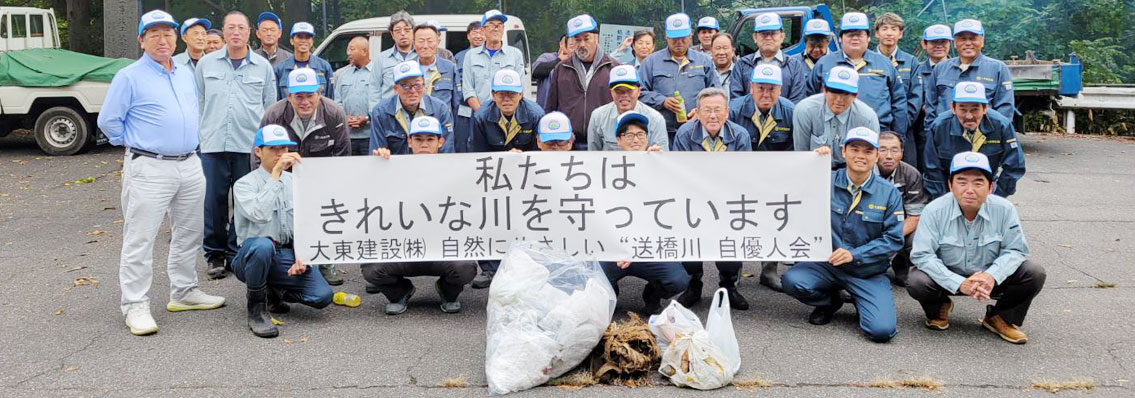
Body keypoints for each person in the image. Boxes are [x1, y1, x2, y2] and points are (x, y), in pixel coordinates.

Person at [99, 10, 226, 336]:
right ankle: (135, 305)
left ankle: (183, 292)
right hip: (150, 166)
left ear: (176, 38)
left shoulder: (184, 72)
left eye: (167, 33)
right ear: (141, 40)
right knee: (140, 239)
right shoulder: (129, 76)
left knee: (190, 232)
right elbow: (109, 122)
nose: (162, 39)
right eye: (153, 33)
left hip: (189, 163)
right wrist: (138, 144)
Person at [781, 127, 904, 342]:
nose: (860, 156)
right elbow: (788, 186)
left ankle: (862, 299)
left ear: (876, 156)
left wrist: (855, 254)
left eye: (867, 151)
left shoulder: (889, 193)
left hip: (867, 271)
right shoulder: (823, 180)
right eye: (854, 149)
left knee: (881, 331)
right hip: (826, 264)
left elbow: (893, 240)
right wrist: (812, 162)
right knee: (793, 280)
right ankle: (829, 302)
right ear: (843, 152)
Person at [909, 152, 1044, 343]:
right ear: (950, 185)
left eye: (978, 183)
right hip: (948, 275)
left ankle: (1000, 317)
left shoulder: (1005, 209)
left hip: (988, 277)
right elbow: (922, 255)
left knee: (1033, 272)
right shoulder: (934, 210)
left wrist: (991, 276)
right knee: (917, 280)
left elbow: (1016, 250)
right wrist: (958, 283)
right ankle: (939, 307)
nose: (969, 190)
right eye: (962, 182)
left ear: (990, 187)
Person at [366, 117, 478, 315]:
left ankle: (447, 290)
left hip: (442, 248)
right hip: (403, 248)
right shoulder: (391, 167)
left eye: (430, 139)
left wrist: (511, 161)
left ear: (440, 142)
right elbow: (368, 195)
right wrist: (376, 166)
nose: (424, 144)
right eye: (418, 139)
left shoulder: (457, 170)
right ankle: (400, 292)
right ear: (409, 142)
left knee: (465, 267)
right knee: (372, 268)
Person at [195, 11, 277, 280]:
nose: (236, 32)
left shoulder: (262, 67)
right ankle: (215, 254)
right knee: (214, 201)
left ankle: (235, 250)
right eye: (231, 27)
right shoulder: (206, 64)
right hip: (213, 143)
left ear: (249, 31)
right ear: (223, 31)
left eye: (241, 27)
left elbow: (269, 108)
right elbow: (199, 103)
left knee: (244, 200)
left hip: (248, 145)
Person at [232, 125, 333, 337]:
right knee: (262, 245)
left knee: (322, 296)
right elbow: (259, 213)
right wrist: (276, 175)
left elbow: (306, 224)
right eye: (273, 148)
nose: (280, 153)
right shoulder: (244, 184)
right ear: (258, 152)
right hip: (251, 255)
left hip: (284, 253)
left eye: (284, 148)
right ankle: (257, 311)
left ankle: (273, 291)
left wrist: (302, 257)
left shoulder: (296, 181)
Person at [671, 88, 752, 310]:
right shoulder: (685, 134)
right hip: (694, 201)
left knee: (730, 242)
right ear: (697, 112)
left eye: (718, 110)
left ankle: (728, 286)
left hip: (728, 202)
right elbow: (679, 173)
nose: (713, 116)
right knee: (689, 238)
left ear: (727, 113)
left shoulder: (741, 135)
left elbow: (746, 175)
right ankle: (693, 284)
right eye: (707, 110)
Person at [468, 69, 545, 288]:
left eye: (511, 94)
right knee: (488, 216)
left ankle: (529, 263)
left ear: (521, 94)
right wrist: (503, 160)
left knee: (526, 216)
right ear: (493, 95)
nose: (506, 99)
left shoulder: (535, 114)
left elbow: (541, 150)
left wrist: (521, 162)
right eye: (501, 94)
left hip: (527, 174)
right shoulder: (482, 116)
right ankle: (489, 268)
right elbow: (477, 154)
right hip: (492, 174)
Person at [727, 63, 795, 292]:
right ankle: (733, 269)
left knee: (773, 220)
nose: (766, 94)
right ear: (751, 87)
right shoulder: (734, 109)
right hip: (738, 177)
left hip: (775, 178)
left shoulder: (790, 112)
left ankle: (769, 269)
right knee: (737, 221)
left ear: (781, 90)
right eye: (761, 88)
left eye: (772, 89)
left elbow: (795, 151)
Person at [807, 12, 907, 136]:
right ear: (840, 38)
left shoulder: (884, 63)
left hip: (878, 132)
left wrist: (897, 136)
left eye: (859, 34)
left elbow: (899, 103)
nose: (855, 38)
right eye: (849, 34)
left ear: (868, 38)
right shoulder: (824, 64)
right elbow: (810, 100)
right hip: (833, 133)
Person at [924, 82, 1025, 198]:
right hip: (949, 192)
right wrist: (945, 201)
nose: (969, 116)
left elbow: (1015, 166)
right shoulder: (939, 127)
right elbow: (932, 170)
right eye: (963, 110)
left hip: (987, 191)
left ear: (985, 108)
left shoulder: (1002, 125)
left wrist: (997, 196)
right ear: (953, 108)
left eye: (974, 110)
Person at [924, 19, 1014, 131]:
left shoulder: (998, 68)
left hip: (985, 138)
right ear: (955, 43)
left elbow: (1005, 109)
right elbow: (930, 107)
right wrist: (932, 133)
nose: (967, 43)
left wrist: (996, 137)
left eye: (973, 38)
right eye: (962, 39)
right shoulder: (940, 68)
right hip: (946, 137)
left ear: (982, 41)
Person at [640, 13, 719, 137]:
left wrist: (700, 110)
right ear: (666, 36)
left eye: (683, 38)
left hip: (698, 130)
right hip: (663, 132)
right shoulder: (650, 62)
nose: (679, 42)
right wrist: (662, 101)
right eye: (674, 38)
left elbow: (716, 93)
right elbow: (639, 93)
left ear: (690, 35)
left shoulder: (704, 61)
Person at [547, 14, 615, 150]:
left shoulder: (613, 68)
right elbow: (551, 106)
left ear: (596, 38)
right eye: (577, 40)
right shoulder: (561, 69)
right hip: (568, 142)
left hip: (604, 142)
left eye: (586, 39)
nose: (582, 44)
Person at [793, 66, 880, 168]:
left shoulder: (868, 118)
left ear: (855, 96)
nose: (839, 99)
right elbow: (801, 153)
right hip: (814, 167)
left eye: (846, 94)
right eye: (834, 92)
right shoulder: (805, 110)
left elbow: (871, 160)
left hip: (852, 171)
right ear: (824, 90)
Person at [258, 68, 350, 162]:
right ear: (289, 97)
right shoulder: (274, 115)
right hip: (283, 173)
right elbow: (259, 156)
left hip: (324, 173)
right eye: (299, 97)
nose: (305, 102)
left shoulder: (334, 114)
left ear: (319, 95)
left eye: (310, 96)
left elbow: (342, 156)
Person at [875, 131, 928, 286]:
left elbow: (915, 217)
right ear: (873, 151)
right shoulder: (864, 171)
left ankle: (902, 263)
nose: (889, 156)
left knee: (918, 237)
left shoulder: (911, 174)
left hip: (898, 227)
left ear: (902, 153)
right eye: (882, 150)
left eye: (895, 150)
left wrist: (890, 238)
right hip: (867, 226)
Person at [370, 61, 456, 155]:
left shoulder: (440, 109)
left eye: (417, 85)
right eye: (406, 86)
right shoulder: (380, 112)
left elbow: (447, 152)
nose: (412, 91)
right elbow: (376, 151)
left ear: (424, 86)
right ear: (395, 89)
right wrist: (380, 153)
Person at [461, 10, 525, 129]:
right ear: (483, 29)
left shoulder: (515, 54)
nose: (496, 29)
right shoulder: (470, 55)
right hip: (479, 117)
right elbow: (468, 90)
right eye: (491, 25)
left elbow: (520, 89)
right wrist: (482, 113)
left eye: (499, 25)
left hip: (508, 117)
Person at [874, 13, 922, 166]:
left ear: (900, 34)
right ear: (876, 33)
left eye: (894, 29)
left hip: (904, 132)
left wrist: (901, 126)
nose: (889, 33)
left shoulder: (911, 62)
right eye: (884, 29)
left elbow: (915, 98)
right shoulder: (868, 61)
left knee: (905, 173)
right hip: (876, 128)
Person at [587, 65, 668, 151]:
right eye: (618, 90)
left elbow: (662, 158)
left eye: (629, 90)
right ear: (611, 92)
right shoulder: (598, 116)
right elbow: (593, 155)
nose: (624, 95)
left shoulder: (656, 119)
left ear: (639, 91)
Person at [730, 13, 807, 103]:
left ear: (782, 36)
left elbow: (797, 101)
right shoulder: (742, 64)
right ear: (755, 37)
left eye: (773, 33)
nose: (768, 38)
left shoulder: (795, 66)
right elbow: (736, 100)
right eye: (764, 34)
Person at [413, 21, 462, 151]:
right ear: (414, 43)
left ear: (437, 42)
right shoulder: (407, 69)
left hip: (442, 131)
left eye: (430, 41)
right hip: (415, 133)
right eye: (421, 41)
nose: (425, 46)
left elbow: (457, 104)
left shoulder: (449, 67)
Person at [912, 24, 954, 171]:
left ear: (950, 44)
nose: (939, 46)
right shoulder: (915, 70)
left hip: (954, 132)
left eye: (943, 42)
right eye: (934, 42)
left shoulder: (959, 70)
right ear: (924, 44)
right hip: (922, 134)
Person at [333, 36, 381, 155]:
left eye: (352, 49)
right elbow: (337, 102)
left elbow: (382, 100)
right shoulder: (342, 75)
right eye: (348, 50)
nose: (348, 53)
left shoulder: (377, 73)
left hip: (370, 135)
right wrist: (345, 117)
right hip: (348, 135)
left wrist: (367, 118)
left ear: (364, 51)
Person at [272, 22, 334, 100]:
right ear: (291, 41)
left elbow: (330, 98)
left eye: (307, 37)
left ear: (311, 42)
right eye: (299, 37)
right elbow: (276, 100)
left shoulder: (324, 67)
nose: (303, 40)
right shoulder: (280, 69)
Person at [454, 21, 485, 152]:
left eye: (481, 32)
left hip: (484, 105)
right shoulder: (459, 57)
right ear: (468, 36)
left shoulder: (488, 56)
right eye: (474, 32)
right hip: (464, 106)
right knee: (462, 137)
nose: (478, 36)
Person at [373, 11, 418, 100]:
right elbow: (374, 89)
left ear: (413, 32)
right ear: (392, 34)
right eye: (398, 30)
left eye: (407, 29)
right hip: (388, 111)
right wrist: (375, 111)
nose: (402, 33)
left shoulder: (421, 56)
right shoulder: (381, 59)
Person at [532, 35, 572, 107]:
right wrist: (559, 60)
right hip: (545, 109)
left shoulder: (574, 62)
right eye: (564, 43)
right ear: (560, 44)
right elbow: (535, 72)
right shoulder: (547, 57)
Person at [710, 33, 736, 101]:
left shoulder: (740, 72)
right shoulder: (705, 72)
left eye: (725, 48)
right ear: (711, 51)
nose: (721, 52)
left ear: (733, 51)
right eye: (717, 48)